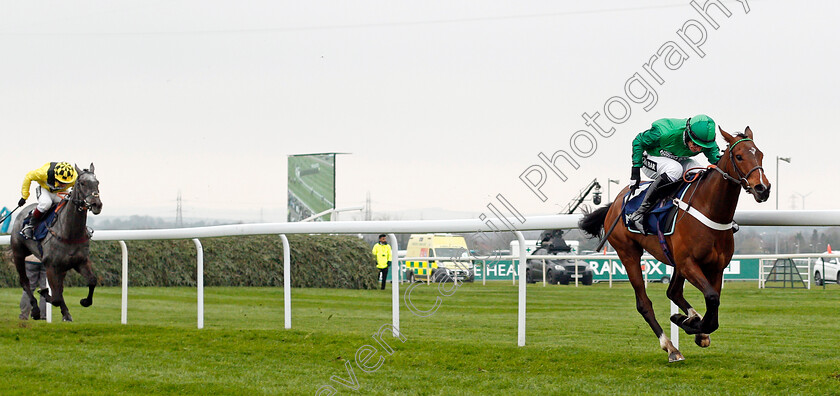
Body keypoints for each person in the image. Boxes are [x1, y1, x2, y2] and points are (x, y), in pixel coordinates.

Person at [627, 115, 721, 230]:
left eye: (702, 147)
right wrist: (635, 170)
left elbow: (716, 160)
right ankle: (639, 213)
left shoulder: (706, 141)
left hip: (677, 158)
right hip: (652, 158)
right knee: (675, 169)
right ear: (688, 134)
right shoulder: (664, 133)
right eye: (695, 144)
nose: (698, 149)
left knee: (700, 171)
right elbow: (638, 141)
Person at [18, 162, 78, 239]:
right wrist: (24, 196)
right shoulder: (43, 173)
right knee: (46, 204)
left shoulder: (74, 178)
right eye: (62, 182)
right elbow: (28, 176)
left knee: (69, 205)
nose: (64, 185)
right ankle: (30, 225)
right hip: (45, 190)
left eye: (66, 183)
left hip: (60, 192)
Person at [19, 255, 47, 320]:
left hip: (30, 260)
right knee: (45, 289)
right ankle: (44, 315)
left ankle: (24, 315)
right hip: (45, 260)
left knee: (28, 289)